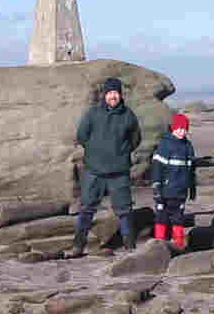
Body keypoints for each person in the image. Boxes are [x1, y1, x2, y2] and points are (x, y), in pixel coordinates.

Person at [67, 77, 142, 257]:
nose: (113, 96)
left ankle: (130, 246)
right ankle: (78, 246)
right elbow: (82, 135)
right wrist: (95, 152)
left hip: (119, 172)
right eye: (110, 93)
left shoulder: (128, 115)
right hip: (95, 171)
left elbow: (135, 139)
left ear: (120, 95)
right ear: (104, 95)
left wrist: (121, 153)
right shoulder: (93, 114)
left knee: (124, 210)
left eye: (115, 93)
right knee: (86, 209)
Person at [151, 113, 196, 250]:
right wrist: (156, 186)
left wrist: (192, 187)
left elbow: (191, 170)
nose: (181, 132)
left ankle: (178, 244)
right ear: (173, 129)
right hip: (165, 190)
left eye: (184, 129)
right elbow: (157, 167)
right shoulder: (165, 145)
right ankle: (158, 245)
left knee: (178, 219)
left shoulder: (188, 146)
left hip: (180, 192)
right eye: (178, 129)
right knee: (161, 217)